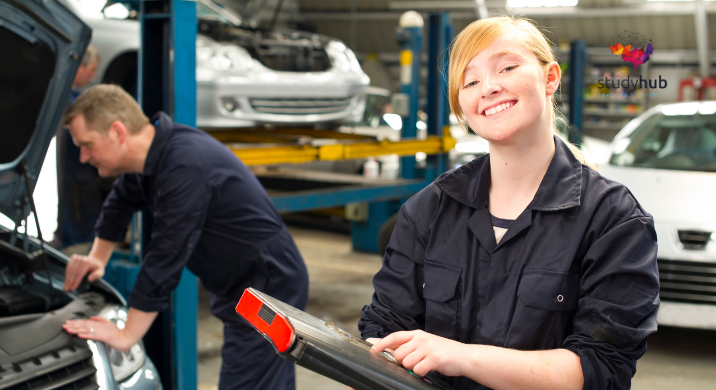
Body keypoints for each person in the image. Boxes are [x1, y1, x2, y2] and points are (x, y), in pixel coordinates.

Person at [359, 16, 660, 390]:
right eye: (470, 81)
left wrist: (461, 357)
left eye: (507, 67)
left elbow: (601, 368)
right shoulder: (428, 209)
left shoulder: (614, 219)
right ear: (463, 109)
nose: (488, 87)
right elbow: (382, 331)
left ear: (550, 78)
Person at [59, 84, 309, 390]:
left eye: (87, 145)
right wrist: (97, 258)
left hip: (268, 282)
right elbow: (120, 202)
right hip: (242, 279)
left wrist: (127, 335)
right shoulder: (152, 156)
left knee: (249, 382)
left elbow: (166, 253)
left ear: (117, 132)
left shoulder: (184, 166)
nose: (83, 157)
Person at [52, 44, 108, 249]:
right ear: (78, 68)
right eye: (92, 69)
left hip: (79, 177)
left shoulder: (73, 96)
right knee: (78, 229)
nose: (93, 76)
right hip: (74, 178)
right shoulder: (65, 100)